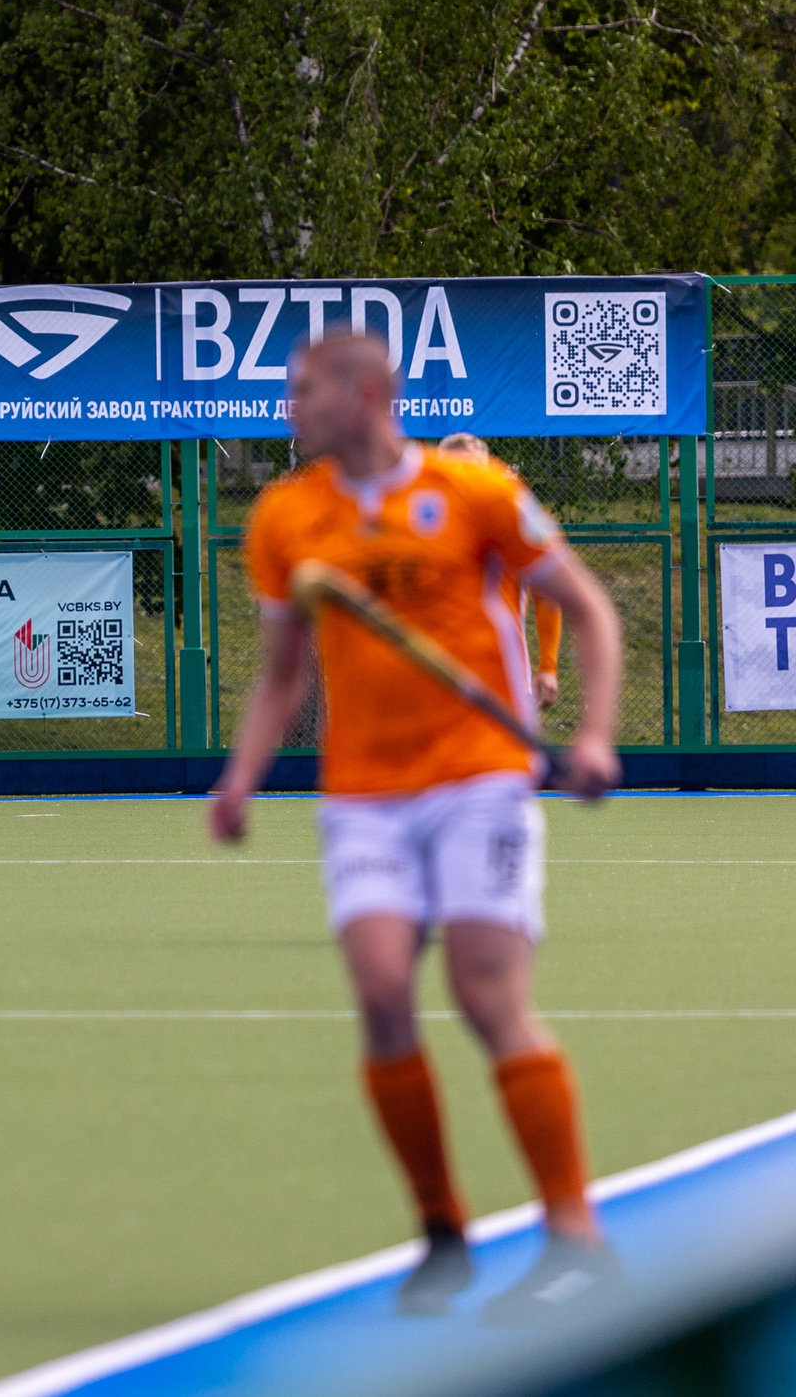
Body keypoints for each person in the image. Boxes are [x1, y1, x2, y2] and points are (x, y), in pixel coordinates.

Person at [209, 333, 626, 1323]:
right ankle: (441, 1230)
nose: (288, 410)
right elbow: (281, 675)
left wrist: (598, 735)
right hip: (360, 793)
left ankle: (574, 1236)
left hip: (476, 781)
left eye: (302, 392)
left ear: (366, 394)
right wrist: (239, 778)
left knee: (484, 995)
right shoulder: (284, 517)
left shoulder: (476, 494)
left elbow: (589, 609)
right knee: (383, 990)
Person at [437, 433, 564, 708]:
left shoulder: (514, 518)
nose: (464, 476)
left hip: (504, 670)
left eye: (472, 467)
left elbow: (548, 594)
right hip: (436, 669)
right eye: (454, 468)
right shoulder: (419, 526)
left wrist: (549, 666)